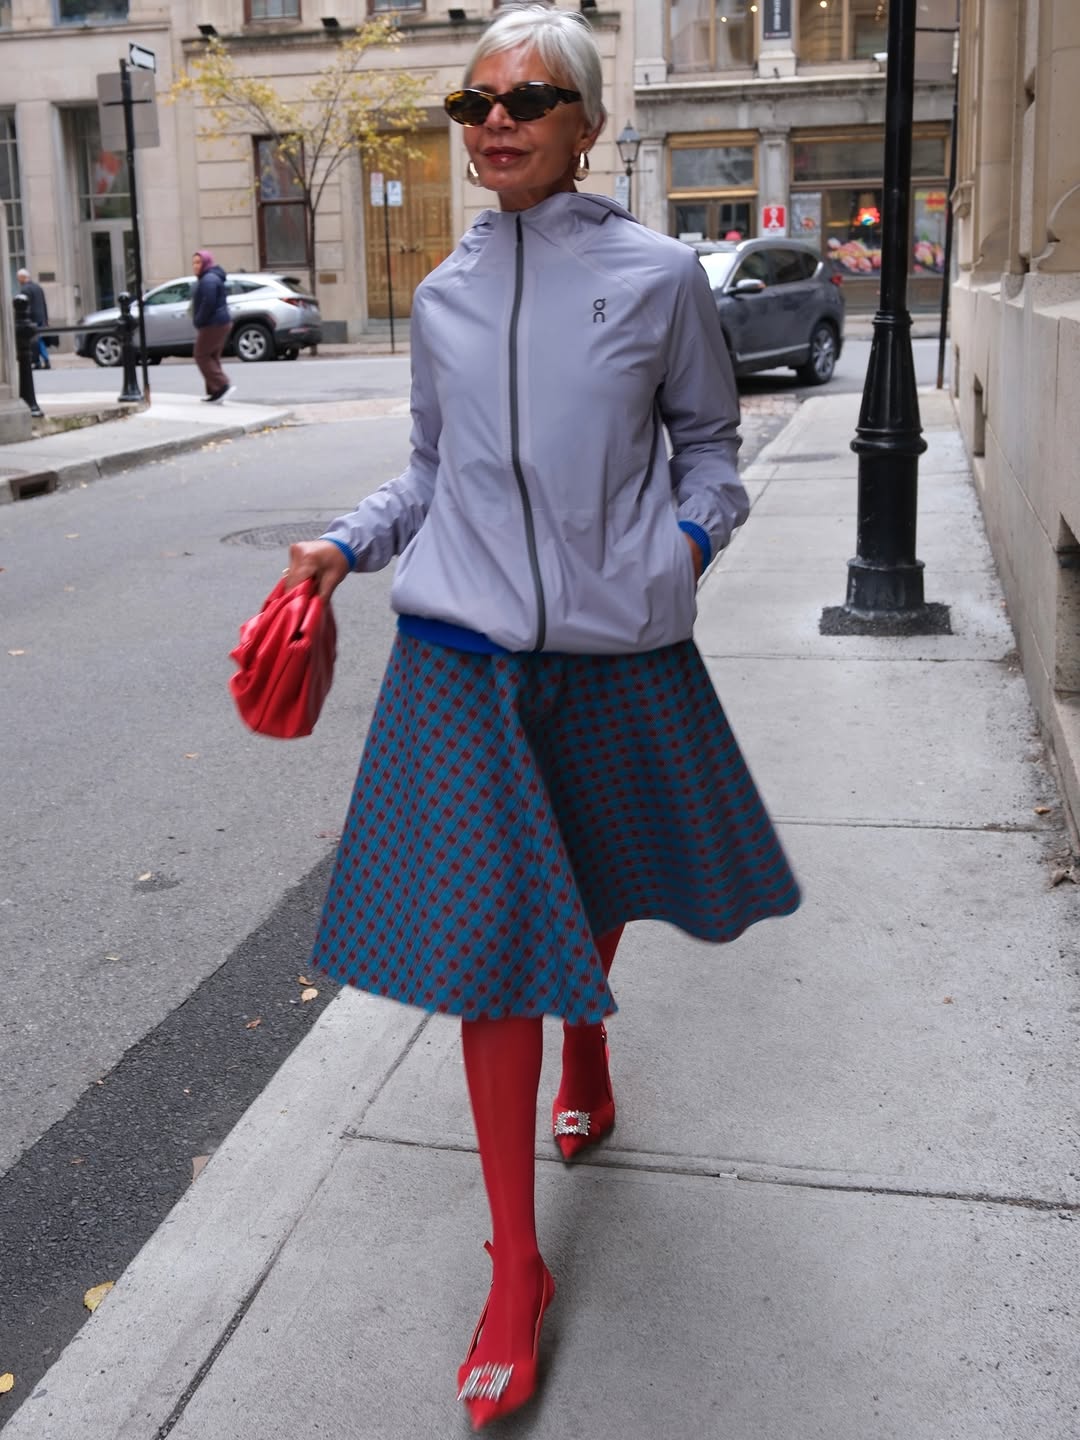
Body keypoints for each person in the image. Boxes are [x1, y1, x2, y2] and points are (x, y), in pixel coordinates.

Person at [280, 5, 799, 1427]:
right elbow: (432, 473)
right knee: (498, 950)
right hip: (459, 655)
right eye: (475, 100)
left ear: (586, 125)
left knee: (590, 882)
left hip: (616, 650)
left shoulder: (656, 280)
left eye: (529, 97)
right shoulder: (444, 292)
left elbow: (711, 448)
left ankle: (594, 1051)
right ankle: (515, 1268)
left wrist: (677, 555)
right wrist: (344, 544)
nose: (495, 119)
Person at [190, 249, 233, 402]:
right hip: (220, 322)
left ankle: (222, 385)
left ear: (206, 263)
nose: (195, 266)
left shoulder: (208, 279)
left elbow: (208, 302)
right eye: (194, 263)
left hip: (213, 323)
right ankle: (215, 391)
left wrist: (199, 320)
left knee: (201, 354)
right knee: (212, 356)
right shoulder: (210, 278)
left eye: (198, 262)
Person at [16, 268, 51, 370]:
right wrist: (46, 318)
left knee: (36, 340)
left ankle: (42, 360)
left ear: (23, 278)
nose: (18, 280)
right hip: (41, 317)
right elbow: (44, 303)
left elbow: (25, 306)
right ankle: (41, 361)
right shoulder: (38, 287)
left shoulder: (25, 289)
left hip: (32, 318)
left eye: (19, 278)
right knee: (39, 340)